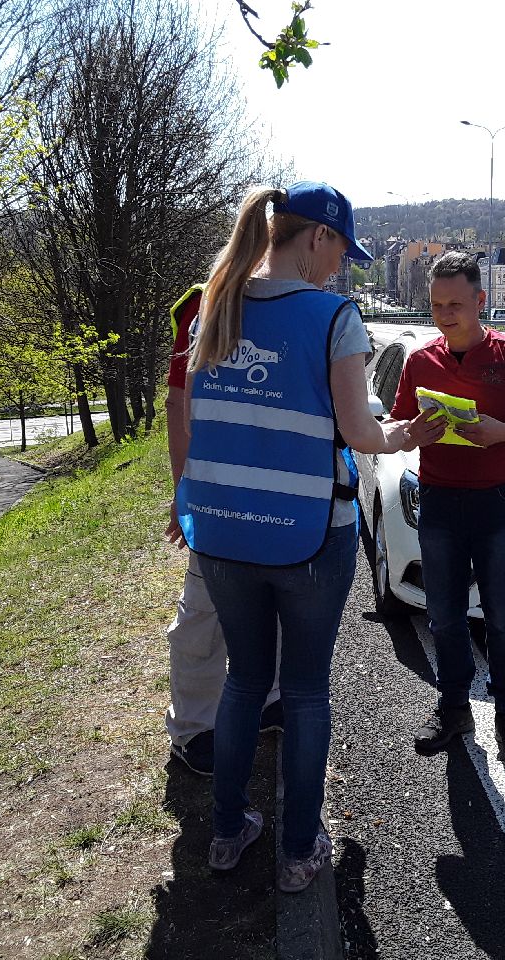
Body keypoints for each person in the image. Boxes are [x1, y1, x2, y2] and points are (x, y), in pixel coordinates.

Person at [176, 181, 426, 892]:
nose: (342, 266)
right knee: (307, 689)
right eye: (342, 249)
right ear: (317, 236)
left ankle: (227, 834)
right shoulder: (332, 316)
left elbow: (200, 421)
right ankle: (296, 853)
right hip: (311, 532)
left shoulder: (213, 306)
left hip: (221, 530)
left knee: (244, 680)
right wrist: (407, 433)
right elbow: (359, 432)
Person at [391, 251, 505, 763]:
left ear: (481, 300)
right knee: (443, 615)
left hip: (500, 503)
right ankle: (453, 707)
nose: (445, 314)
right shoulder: (421, 361)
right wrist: (410, 434)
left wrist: (500, 433)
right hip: (440, 500)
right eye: (437, 304)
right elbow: (397, 427)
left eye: (456, 304)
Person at [162, 285, 282, 777]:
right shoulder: (206, 303)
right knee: (204, 615)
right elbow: (178, 404)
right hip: (220, 495)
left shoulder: (296, 300)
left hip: (276, 493)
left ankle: (271, 701)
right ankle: (195, 728)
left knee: (274, 603)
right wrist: (185, 492)